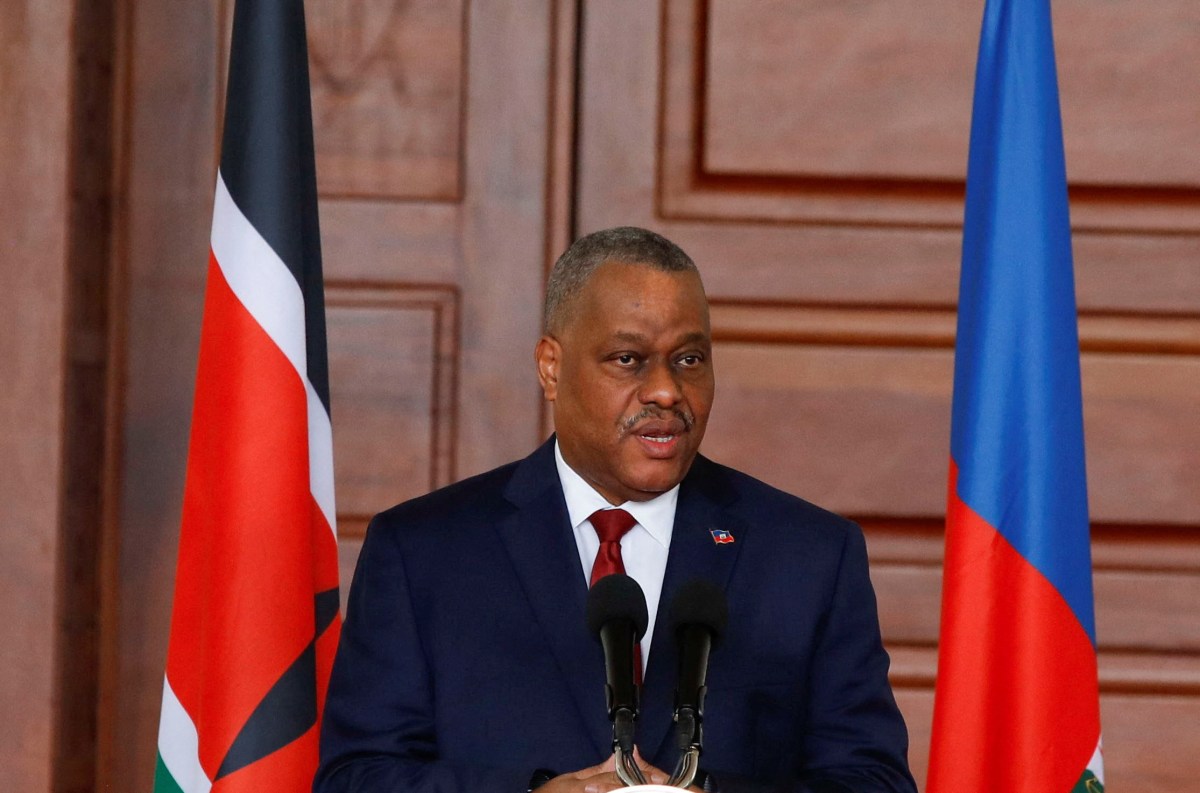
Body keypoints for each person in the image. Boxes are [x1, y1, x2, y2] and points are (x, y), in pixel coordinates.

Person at [314, 227, 916, 793]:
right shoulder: (423, 553)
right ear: (552, 367)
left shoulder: (807, 555)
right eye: (629, 359)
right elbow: (357, 777)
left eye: (689, 359)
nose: (666, 391)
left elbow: (872, 780)